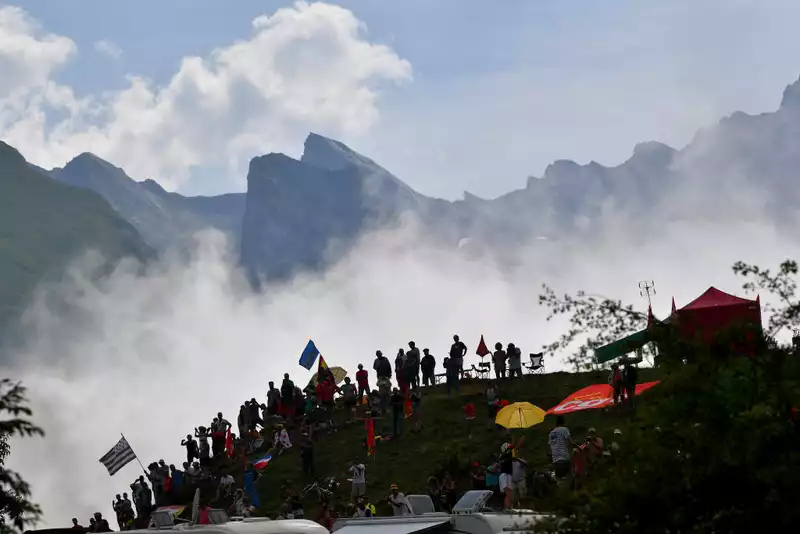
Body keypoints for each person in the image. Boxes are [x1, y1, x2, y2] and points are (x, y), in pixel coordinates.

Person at [549, 416, 578, 489]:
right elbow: (571, 442)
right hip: (564, 459)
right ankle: (573, 492)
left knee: (559, 480)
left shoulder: (551, 433)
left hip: (555, 461)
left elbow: (551, 446)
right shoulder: (564, 429)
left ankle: (561, 493)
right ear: (563, 423)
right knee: (571, 478)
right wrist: (578, 447)